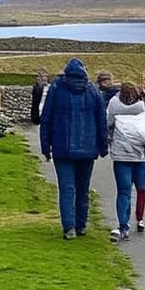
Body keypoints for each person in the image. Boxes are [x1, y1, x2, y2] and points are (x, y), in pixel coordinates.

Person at [40, 58, 108, 239]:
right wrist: (103, 146)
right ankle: (81, 224)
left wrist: (46, 146)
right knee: (83, 189)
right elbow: (102, 119)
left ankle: (69, 227)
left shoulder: (57, 88)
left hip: (62, 148)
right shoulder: (93, 90)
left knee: (67, 189)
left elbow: (46, 117)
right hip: (88, 147)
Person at [106, 82, 145, 241]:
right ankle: (140, 219)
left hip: (121, 155)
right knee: (140, 189)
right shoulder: (141, 105)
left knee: (123, 191)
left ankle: (123, 225)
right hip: (139, 155)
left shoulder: (113, 103)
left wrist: (108, 142)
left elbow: (108, 124)